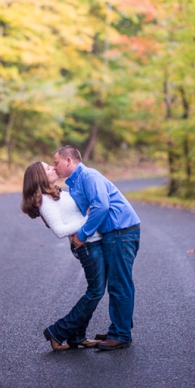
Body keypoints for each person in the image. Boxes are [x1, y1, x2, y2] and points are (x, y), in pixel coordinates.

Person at [53, 145, 141, 351]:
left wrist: (82, 235)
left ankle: (121, 335)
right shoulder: (75, 183)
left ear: (68, 161)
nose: (55, 167)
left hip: (122, 231)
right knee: (117, 283)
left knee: (120, 283)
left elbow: (101, 206)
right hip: (115, 233)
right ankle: (119, 328)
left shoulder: (88, 176)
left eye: (56, 162)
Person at [21, 161, 105, 351]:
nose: (52, 168)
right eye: (47, 168)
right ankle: (57, 332)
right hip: (87, 247)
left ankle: (77, 335)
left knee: (95, 290)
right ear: (39, 177)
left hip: (92, 242)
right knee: (96, 291)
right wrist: (87, 220)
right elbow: (59, 230)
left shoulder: (57, 193)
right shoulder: (44, 201)